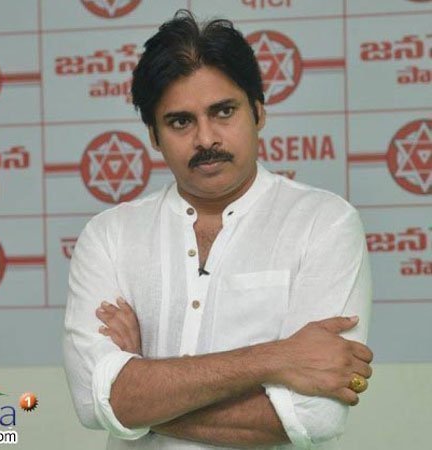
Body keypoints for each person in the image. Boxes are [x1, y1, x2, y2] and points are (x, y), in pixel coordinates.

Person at [63, 10, 373, 450]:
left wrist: (141, 392)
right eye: (180, 122)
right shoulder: (109, 236)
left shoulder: (324, 223)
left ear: (258, 112)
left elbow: (311, 417)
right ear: (153, 135)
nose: (206, 139)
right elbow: (92, 400)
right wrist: (275, 358)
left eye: (223, 111)